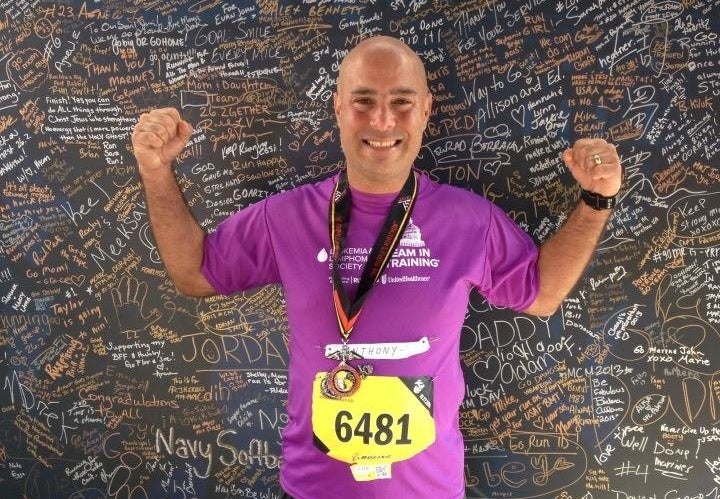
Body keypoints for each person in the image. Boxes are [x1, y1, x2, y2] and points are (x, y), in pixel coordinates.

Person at [132, 36, 622, 499]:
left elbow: (541, 292)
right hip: (315, 488)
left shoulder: (470, 220)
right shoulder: (284, 218)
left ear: (426, 110)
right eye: (364, 100)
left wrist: (596, 199)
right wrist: (155, 170)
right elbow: (194, 273)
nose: (383, 121)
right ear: (339, 108)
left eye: (402, 102)